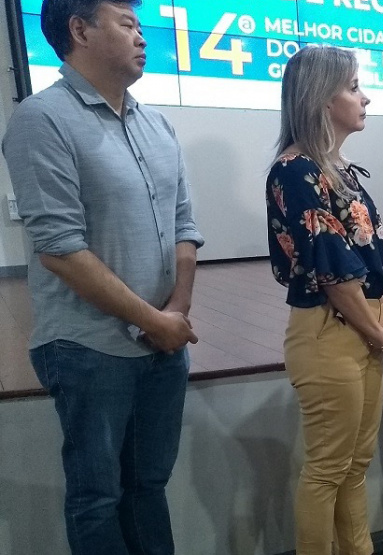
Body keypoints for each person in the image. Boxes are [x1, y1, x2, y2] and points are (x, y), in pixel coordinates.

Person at [1, 1, 204, 553]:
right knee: (97, 497)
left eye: (139, 25)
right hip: (88, 348)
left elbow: (185, 225)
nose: (142, 36)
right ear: (79, 30)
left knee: (148, 486)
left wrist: (176, 312)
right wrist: (155, 321)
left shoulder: (156, 124)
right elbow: (61, 250)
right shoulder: (41, 119)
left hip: (163, 342)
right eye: (127, 23)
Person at [265, 45, 383, 555]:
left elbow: (366, 258)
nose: (364, 97)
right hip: (330, 332)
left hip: (364, 324)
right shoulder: (295, 170)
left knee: (355, 465)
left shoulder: (336, 168)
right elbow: (332, 272)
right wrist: (377, 332)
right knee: (328, 468)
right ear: (322, 99)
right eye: (353, 87)